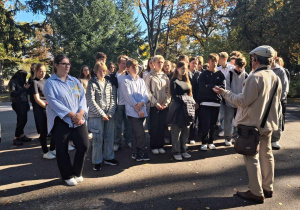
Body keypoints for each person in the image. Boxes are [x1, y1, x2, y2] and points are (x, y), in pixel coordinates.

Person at [213, 45, 282, 204]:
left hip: (252, 126)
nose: (251, 61)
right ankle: (267, 187)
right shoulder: (275, 76)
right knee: (267, 155)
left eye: (252, 59)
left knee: (251, 157)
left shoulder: (254, 77)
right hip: (268, 125)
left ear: (256, 59)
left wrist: (223, 92)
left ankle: (256, 192)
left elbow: (242, 101)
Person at [44, 55, 89, 186]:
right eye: (64, 63)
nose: (67, 66)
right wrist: (71, 115)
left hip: (78, 119)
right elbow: (53, 102)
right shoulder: (50, 83)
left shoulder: (74, 80)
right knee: (62, 149)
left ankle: (76, 171)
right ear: (56, 65)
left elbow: (82, 98)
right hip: (61, 121)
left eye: (68, 63)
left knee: (84, 145)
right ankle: (67, 175)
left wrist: (80, 113)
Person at [86, 61, 117, 171]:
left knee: (109, 137)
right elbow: (91, 101)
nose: (102, 73)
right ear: (95, 71)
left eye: (104, 71)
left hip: (109, 115)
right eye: (100, 71)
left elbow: (113, 99)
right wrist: (102, 114)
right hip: (96, 116)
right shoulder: (91, 83)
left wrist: (110, 113)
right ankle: (97, 161)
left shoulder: (109, 83)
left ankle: (109, 157)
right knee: (97, 139)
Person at [121, 59, 150, 161]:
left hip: (142, 109)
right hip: (133, 112)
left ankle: (135, 152)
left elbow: (145, 95)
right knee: (140, 132)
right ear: (128, 69)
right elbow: (128, 97)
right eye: (133, 66)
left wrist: (142, 103)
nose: (136, 68)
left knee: (135, 133)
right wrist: (138, 109)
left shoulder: (141, 80)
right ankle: (142, 151)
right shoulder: (126, 81)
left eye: (137, 66)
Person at [196, 53, 225, 151]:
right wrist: (213, 87)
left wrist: (209, 86)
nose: (215, 63)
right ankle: (204, 142)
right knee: (205, 123)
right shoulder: (203, 74)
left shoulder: (220, 74)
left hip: (216, 103)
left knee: (213, 124)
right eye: (213, 61)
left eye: (216, 61)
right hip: (204, 103)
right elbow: (202, 88)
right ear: (208, 62)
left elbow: (222, 88)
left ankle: (211, 141)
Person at [168, 61, 195, 160]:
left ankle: (184, 149)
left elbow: (190, 94)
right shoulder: (173, 80)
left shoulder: (187, 80)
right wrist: (184, 100)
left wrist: (190, 102)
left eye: (185, 69)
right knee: (176, 131)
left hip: (187, 108)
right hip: (177, 108)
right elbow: (174, 95)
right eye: (182, 68)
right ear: (177, 69)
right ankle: (176, 151)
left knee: (186, 130)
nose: (184, 70)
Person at [145, 55, 171, 155]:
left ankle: (160, 145)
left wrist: (166, 103)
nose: (160, 64)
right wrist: (155, 103)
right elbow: (148, 91)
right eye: (158, 62)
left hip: (164, 106)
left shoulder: (165, 76)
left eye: (161, 62)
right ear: (154, 63)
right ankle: (154, 146)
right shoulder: (149, 76)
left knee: (162, 126)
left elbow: (168, 91)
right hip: (154, 106)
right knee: (154, 126)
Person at [33, 64, 56, 159]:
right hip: (41, 110)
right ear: (36, 72)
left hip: (50, 108)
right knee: (43, 131)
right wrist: (47, 107)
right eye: (41, 71)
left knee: (54, 130)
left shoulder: (47, 80)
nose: (43, 73)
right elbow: (37, 99)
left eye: (44, 71)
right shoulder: (35, 82)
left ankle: (52, 149)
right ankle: (45, 151)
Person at [223, 57, 248, 146]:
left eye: (242, 67)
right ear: (235, 65)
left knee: (239, 122)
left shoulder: (246, 76)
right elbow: (227, 88)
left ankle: (236, 138)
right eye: (238, 66)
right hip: (229, 103)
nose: (240, 68)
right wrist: (233, 101)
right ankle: (227, 138)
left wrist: (239, 102)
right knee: (228, 121)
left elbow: (246, 90)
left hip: (240, 104)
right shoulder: (229, 74)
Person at [112, 55, 133, 151]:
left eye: (126, 63)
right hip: (118, 104)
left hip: (128, 103)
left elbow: (139, 67)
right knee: (118, 125)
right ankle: (117, 142)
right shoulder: (114, 76)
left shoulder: (129, 75)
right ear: (118, 64)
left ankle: (128, 140)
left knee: (128, 124)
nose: (124, 65)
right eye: (123, 63)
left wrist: (128, 59)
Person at [271, 53, 289, 150]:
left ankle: (275, 140)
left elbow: (285, 85)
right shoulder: (265, 69)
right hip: (264, 100)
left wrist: (281, 98)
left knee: (277, 120)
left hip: (276, 100)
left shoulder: (280, 70)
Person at [8, 70, 32, 146]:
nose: (24, 78)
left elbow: (25, 93)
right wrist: (24, 88)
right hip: (17, 103)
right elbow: (13, 93)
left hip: (24, 102)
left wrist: (27, 88)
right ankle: (16, 138)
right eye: (23, 76)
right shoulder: (13, 81)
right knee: (21, 120)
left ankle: (21, 135)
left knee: (23, 119)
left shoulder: (22, 82)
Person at [217, 52, 234, 137]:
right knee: (222, 113)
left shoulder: (232, 68)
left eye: (219, 58)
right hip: (221, 94)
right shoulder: (218, 69)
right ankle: (224, 129)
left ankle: (230, 131)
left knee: (230, 114)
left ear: (224, 59)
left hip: (229, 94)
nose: (218, 60)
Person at [188, 57, 201, 144]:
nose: (195, 65)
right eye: (193, 63)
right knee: (187, 119)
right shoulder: (185, 73)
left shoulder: (199, 74)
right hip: (187, 99)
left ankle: (192, 137)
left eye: (196, 63)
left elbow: (200, 89)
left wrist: (197, 102)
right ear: (189, 63)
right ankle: (185, 137)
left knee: (193, 119)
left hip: (196, 99)